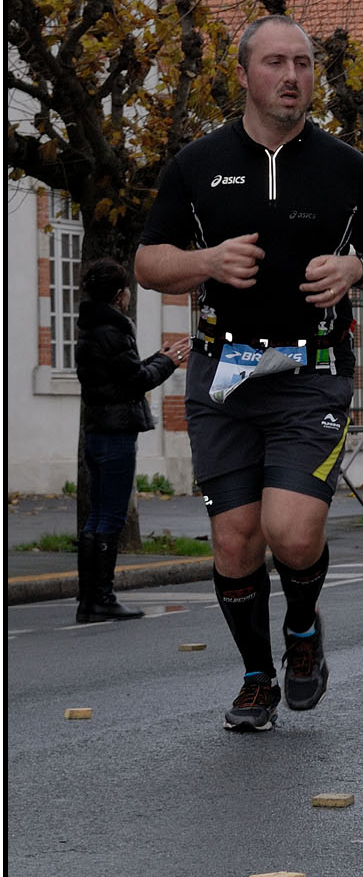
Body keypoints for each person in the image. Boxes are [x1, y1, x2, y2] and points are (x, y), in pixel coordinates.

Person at [135, 14, 363, 731]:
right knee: (234, 541)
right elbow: (148, 260)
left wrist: (355, 268)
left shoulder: (345, 167)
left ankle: (304, 632)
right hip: (223, 372)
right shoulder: (197, 164)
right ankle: (257, 677)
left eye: (305, 63)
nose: (293, 76)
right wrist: (206, 262)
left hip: (311, 372)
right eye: (278, 63)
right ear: (246, 74)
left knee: (291, 531)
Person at [73, 260, 192, 623]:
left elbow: (124, 375)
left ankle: (89, 599)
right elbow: (137, 380)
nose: (128, 296)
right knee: (110, 517)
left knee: (96, 517)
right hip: (116, 434)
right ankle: (101, 598)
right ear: (120, 295)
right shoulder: (113, 330)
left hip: (96, 432)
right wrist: (169, 362)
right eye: (126, 290)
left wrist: (159, 357)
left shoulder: (90, 329)